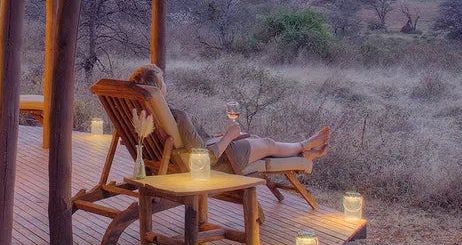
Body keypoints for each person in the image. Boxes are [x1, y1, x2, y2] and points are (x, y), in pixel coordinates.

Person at [128, 64, 331, 174]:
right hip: (220, 163)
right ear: (157, 88)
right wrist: (228, 136)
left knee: (254, 138)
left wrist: (215, 137)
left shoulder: (140, 115)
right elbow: (205, 158)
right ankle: (304, 147)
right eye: (162, 80)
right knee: (266, 144)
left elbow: (190, 145)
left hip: (177, 162)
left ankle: (304, 155)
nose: (165, 83)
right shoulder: (177, 116)